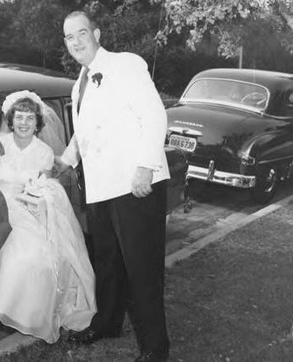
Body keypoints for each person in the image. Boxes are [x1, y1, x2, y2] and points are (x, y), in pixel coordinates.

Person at [55, 10, 171, 362]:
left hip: (135, 185)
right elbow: (85, 132)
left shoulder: (126, 64)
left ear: (97, 33)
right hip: (102, 188)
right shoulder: (80, 82)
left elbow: (155, 114)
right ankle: (107, 322)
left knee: (142, 269)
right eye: (69, 37)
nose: (75, 42)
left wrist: (145, 168)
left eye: (81, 33)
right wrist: (64, 161)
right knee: (107, 263)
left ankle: (155, 348)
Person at [0, 90, 96, 344]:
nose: (23, 123)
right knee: (30, 250)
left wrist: (37, 199)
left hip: (27, 205)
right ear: (10, 120)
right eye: (19, 117)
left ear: (38, 124)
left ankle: (32, 314)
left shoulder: (44, 151)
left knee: (39, 253)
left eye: (30, 118)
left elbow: (46, 186)